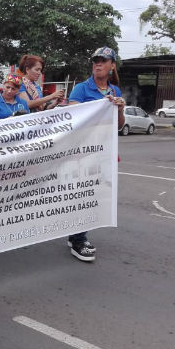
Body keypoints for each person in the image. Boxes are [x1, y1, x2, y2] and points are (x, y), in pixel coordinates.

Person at [66, 46, 125, 262]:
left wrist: (118, 108)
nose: (98, 64)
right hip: (82, 153)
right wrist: (98, 107)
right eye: (95, 60)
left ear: (112, 66)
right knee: (82, 194)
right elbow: (72, 119)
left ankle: (75, 235)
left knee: (93, 195)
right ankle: (79, 239)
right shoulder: (81, 89)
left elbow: (119, 126)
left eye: (103, 60)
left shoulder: (115, 91)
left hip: (104, 152)